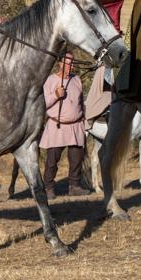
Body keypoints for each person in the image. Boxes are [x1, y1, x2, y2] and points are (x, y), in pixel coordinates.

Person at [41, 53, 89, 199]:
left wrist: (85, 122)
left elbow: (81, 103)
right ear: (60, 63)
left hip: (76, 126)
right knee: (52, 161)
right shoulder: (50, 80)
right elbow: (42, 103)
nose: (71, 66)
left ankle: (74, 186)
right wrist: (56, 94)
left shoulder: (77, 80)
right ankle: (48, 188)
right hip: (58, 126)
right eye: (68, 63)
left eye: (72, 63)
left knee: (76, 159)